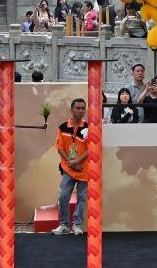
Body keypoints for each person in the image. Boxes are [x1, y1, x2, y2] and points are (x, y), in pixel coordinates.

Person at [51, 99, 88, 236]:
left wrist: (77, 161)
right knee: (63, 196)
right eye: (78, 108)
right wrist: (70, 163)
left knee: (82, 198)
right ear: (71, 110)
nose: (81, 111)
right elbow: (60, 148)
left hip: (84, 170)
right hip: (68, 169)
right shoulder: (62, 127)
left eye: (83, 108)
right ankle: (64, 225)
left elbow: (91, 149)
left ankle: (77, 225)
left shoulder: (88, 128)